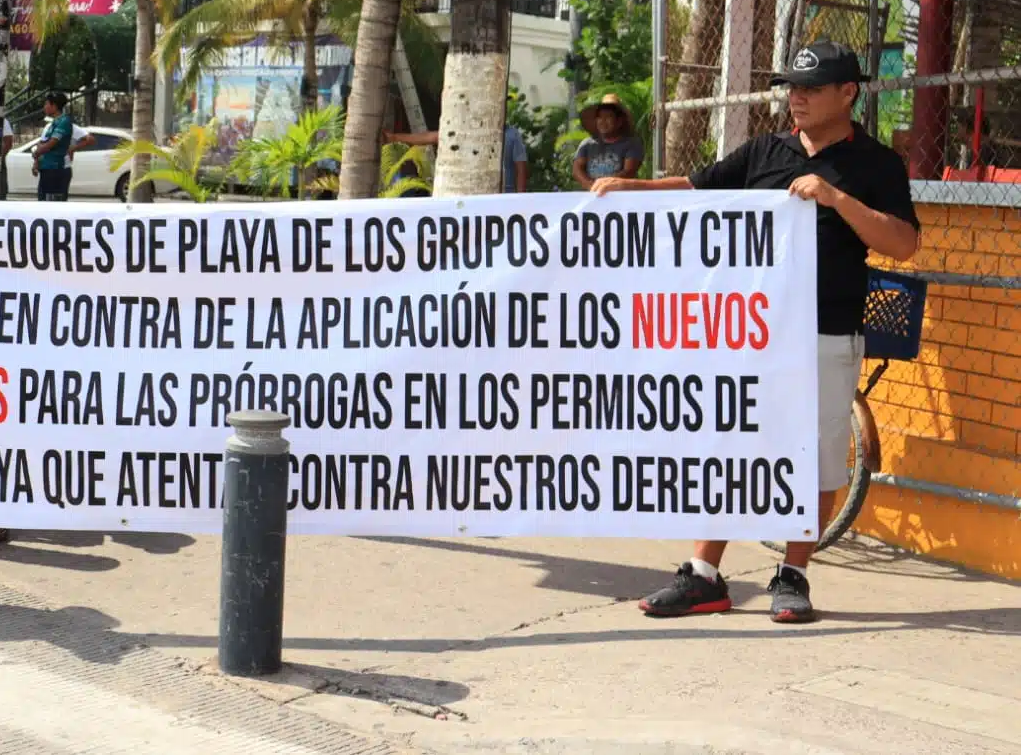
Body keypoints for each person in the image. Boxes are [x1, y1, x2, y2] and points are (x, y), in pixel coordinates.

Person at [592, 39, 920, 624]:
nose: (797, 97)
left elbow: (902, 243)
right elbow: (697, 188)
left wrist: (835, 198)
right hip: (751, 336)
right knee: (731, 446)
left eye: (811, 88)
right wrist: (631, 189)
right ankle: (704, 575)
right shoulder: (765, 151)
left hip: (825, 330)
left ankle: (793, 575)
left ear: (849, 93)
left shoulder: (876, 165)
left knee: (817, 458)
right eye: (791, 87)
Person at [384, 123, 529, 193]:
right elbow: (432, 136)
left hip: (505, 194)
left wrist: (519, 199)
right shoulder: (469, 130)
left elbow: (520, 168)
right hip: (473, 191)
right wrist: (395, 137)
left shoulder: (512, 134)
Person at [573, 94, 644, 189]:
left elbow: (629, 171)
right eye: (600, 117)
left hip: (621, 195)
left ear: (619, 121)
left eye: (608, 117)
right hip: (592, 194)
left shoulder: (631, 144)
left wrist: (605, 185)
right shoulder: (587, 144)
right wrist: (590, 185)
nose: (603, 121)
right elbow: (577, 169)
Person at [31, 92, 73, 201]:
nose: (44, 107)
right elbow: (42, 143)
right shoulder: (53, 123)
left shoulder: (64, 122)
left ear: (54, 106)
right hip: (46, 169)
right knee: (42, 201)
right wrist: (37, 160)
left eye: (46, 104)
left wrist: (37, 151)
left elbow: (49, 144)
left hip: (55, 170)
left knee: (51, 204)